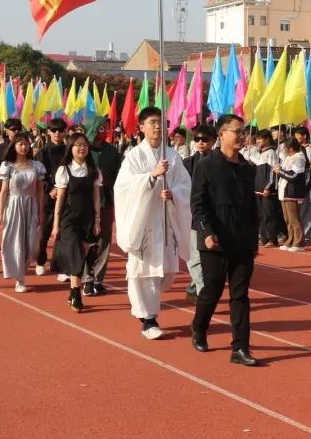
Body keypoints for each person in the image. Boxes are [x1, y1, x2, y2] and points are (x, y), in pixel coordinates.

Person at [114, 107, 192, 340]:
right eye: (152, 122)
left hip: (165, 219)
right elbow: (124, 187)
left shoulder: (173, 155)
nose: (158, 127)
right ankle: (148, 319)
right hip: (143, 221)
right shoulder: (134, 156)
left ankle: (147, 309)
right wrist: (151, 177)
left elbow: (184, 184)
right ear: (141, 127)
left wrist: (174, 193)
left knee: (166, 270)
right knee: (143, 271)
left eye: (161, 122)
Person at [189, 114, 260, 366]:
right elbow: (197, 203)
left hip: (242, 242)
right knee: (213, 290)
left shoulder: (248, 168)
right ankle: (199, 327)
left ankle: (240, 348)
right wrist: (207, 232)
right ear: (221, 135)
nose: (241, 136)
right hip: (214, 241)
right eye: (236, 131)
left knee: (240, 295)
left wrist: (254, 240)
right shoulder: (206, 165)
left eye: (243, 131)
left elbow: (253, 207)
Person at [51, 132, 102, 312]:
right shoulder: (64, 170)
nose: (82, 148)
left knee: (82, 256)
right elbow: (60, 198)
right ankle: (76, 293)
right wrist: (56, 225)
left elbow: (96, 197)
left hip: (88, 217)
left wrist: (97, 220)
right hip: (69, 218)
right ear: (70, 148)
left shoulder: (94, 170)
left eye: (84, 145)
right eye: (77, 145)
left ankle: (73, 293)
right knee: (76, 254)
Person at [0, 133, 46, 293]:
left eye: (26, 144)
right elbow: (4, 191)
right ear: (14, 146)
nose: (23, 147)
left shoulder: (37, 166)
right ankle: (20, 278)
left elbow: (39, 191)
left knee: (32, 244)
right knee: (15, 242)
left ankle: (22, 270)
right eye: (20, 144)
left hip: (30, 205)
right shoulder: (8, 166)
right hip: (13, 205)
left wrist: (40, 211)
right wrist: (0, 213)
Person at [84, 119, 121, 297]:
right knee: (87, 240)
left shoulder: (112, 151)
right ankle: (86, 279)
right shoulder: (83, 149)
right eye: (100, 127)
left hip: (106, 200)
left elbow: (119, 176)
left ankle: (98, 279)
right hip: (85, 201)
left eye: (107, 128)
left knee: (104, 241)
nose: (104, 131)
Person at [182, 124, 215, 303]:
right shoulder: (187, 163)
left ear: (214, 141)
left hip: (216, 218)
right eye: (197, 139)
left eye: (205, 140)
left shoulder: (220, 162)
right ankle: (203, 294)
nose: (201, 143)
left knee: (212, 260)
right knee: (194, 257)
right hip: (193, 217)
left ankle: (195, 285)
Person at [34, 118, 69, 278]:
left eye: (60, 130)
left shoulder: (69, 149)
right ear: (48, 132)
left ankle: (60, 265)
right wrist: (50, 189)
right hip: (49, 198)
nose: (57, 133)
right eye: (54, 130)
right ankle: (40, 261)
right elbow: (39, 175)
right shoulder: (42, 152)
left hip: (66, 196)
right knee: (45, 232)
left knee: (63, 234)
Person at [275, 138, 308, 251]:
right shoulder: (289, 158)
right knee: (287, 219)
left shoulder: (299, 158)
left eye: (285, 148)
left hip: (292, 191)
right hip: (284, 191)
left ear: (291, 148)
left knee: (294, 219)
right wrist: (280, 169)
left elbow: (294, 176)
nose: (284, 150)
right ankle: (290, 240)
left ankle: (298, 242)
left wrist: (280, 172)